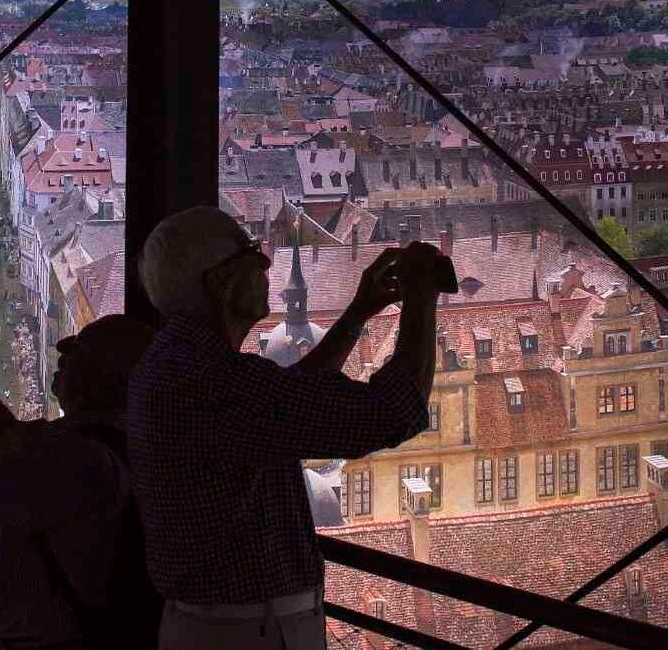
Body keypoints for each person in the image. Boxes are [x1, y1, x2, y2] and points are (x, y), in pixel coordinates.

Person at [129, 206, 442, 650]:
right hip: (249, 632)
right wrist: (422, 295)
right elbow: (388, 413)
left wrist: (356, 315)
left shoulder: (176, 365)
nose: (267, 263)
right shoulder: (216, 384)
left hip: (213, 624)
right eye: (252, 251)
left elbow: (288, 398)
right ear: (222, 282)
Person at [0, 301, 162, 650]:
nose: (62, 349)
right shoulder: (113, 439)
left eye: (80, 348)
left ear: (108, 377)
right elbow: (2, 433)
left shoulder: (77, 459)